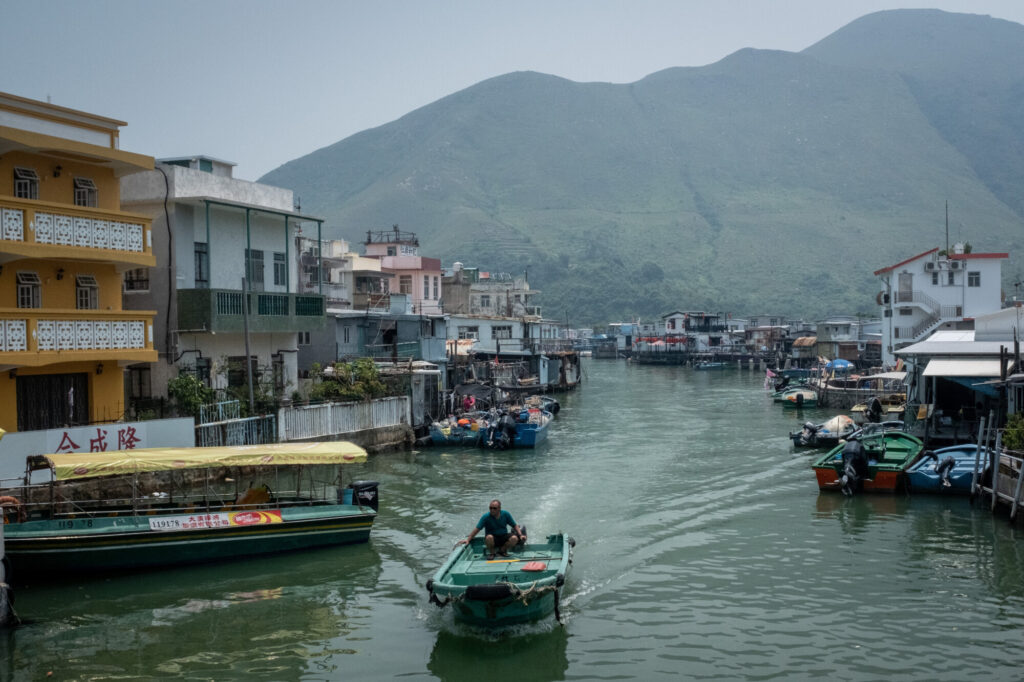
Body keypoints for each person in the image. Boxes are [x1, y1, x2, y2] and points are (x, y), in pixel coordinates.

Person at [458, 499, 525, 559]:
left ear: (499, 508)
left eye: (494, 508)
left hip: (503, 536)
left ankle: (502, 551)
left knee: (514, 538)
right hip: (492, 538)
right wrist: (468, 540)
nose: (492, 510)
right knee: (489, 537)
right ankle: (492, 553)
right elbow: (477, 529)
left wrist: (520, 535)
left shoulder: (505, 514)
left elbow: (514, 525)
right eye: (490, 508)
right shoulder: (486, 517)